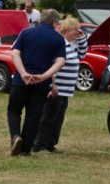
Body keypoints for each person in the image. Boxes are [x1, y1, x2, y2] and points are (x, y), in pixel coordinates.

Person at [7, 8, 65, 156]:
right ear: (54, 22)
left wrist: (23, 73)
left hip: (21, 81)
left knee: (14, 110)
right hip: (41, 83)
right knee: (33, 116)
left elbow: (15, 53)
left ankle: (15, 137)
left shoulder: (26, 32)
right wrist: (44, 76)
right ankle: (26, 150)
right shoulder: (58, 38)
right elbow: (60, 61)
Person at [32, 16, 87, 153]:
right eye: (75, 30)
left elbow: (83, 54)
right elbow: (52, 65)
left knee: (58, 118)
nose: (77, 32)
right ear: (67, 30)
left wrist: (82, 38)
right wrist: (53, 85)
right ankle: (39, 144)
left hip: (66, 89)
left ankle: (51, 143)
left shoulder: (72, 45)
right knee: (49, 117)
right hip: (57, 88)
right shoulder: (60, 44)